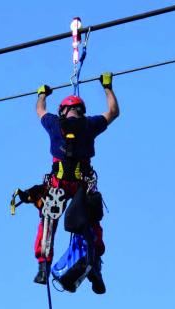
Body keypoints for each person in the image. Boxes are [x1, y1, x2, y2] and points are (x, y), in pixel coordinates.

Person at [33, 73, 119, 294]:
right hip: (83, 184)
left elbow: (39, 110)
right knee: (91, 224)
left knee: (48, 223)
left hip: (58, 183)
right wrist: (107, 87)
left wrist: (42, 93)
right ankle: (95, 268)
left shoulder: (53, 122)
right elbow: (113, 112)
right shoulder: (90, 124)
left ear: (62, 110)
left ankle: (43, 266)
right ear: (82, 111)